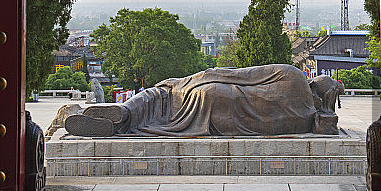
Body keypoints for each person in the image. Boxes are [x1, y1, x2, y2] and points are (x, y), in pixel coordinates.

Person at [64, 64, 344, 137]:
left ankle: (123, 113)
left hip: (218, 91)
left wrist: (203, 76)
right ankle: (119, 123)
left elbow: (241, 75)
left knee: (161, 94)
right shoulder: (305, 116)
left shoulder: (294, 75)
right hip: (223, 117)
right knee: (165, 112)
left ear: (315, 81)